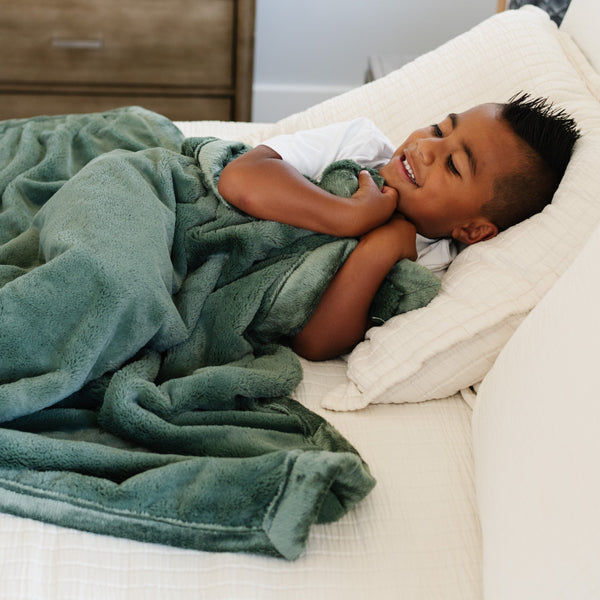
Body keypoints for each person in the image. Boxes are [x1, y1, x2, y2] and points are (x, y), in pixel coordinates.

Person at [218, 92, 580, 361]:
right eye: (439, 129)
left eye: (453, 165)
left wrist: (380, 249)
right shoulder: (362, 148)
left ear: (472, 231)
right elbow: (239, 177)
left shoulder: (427, 266)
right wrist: (349, 215)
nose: (425, 147)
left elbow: (315, 343)